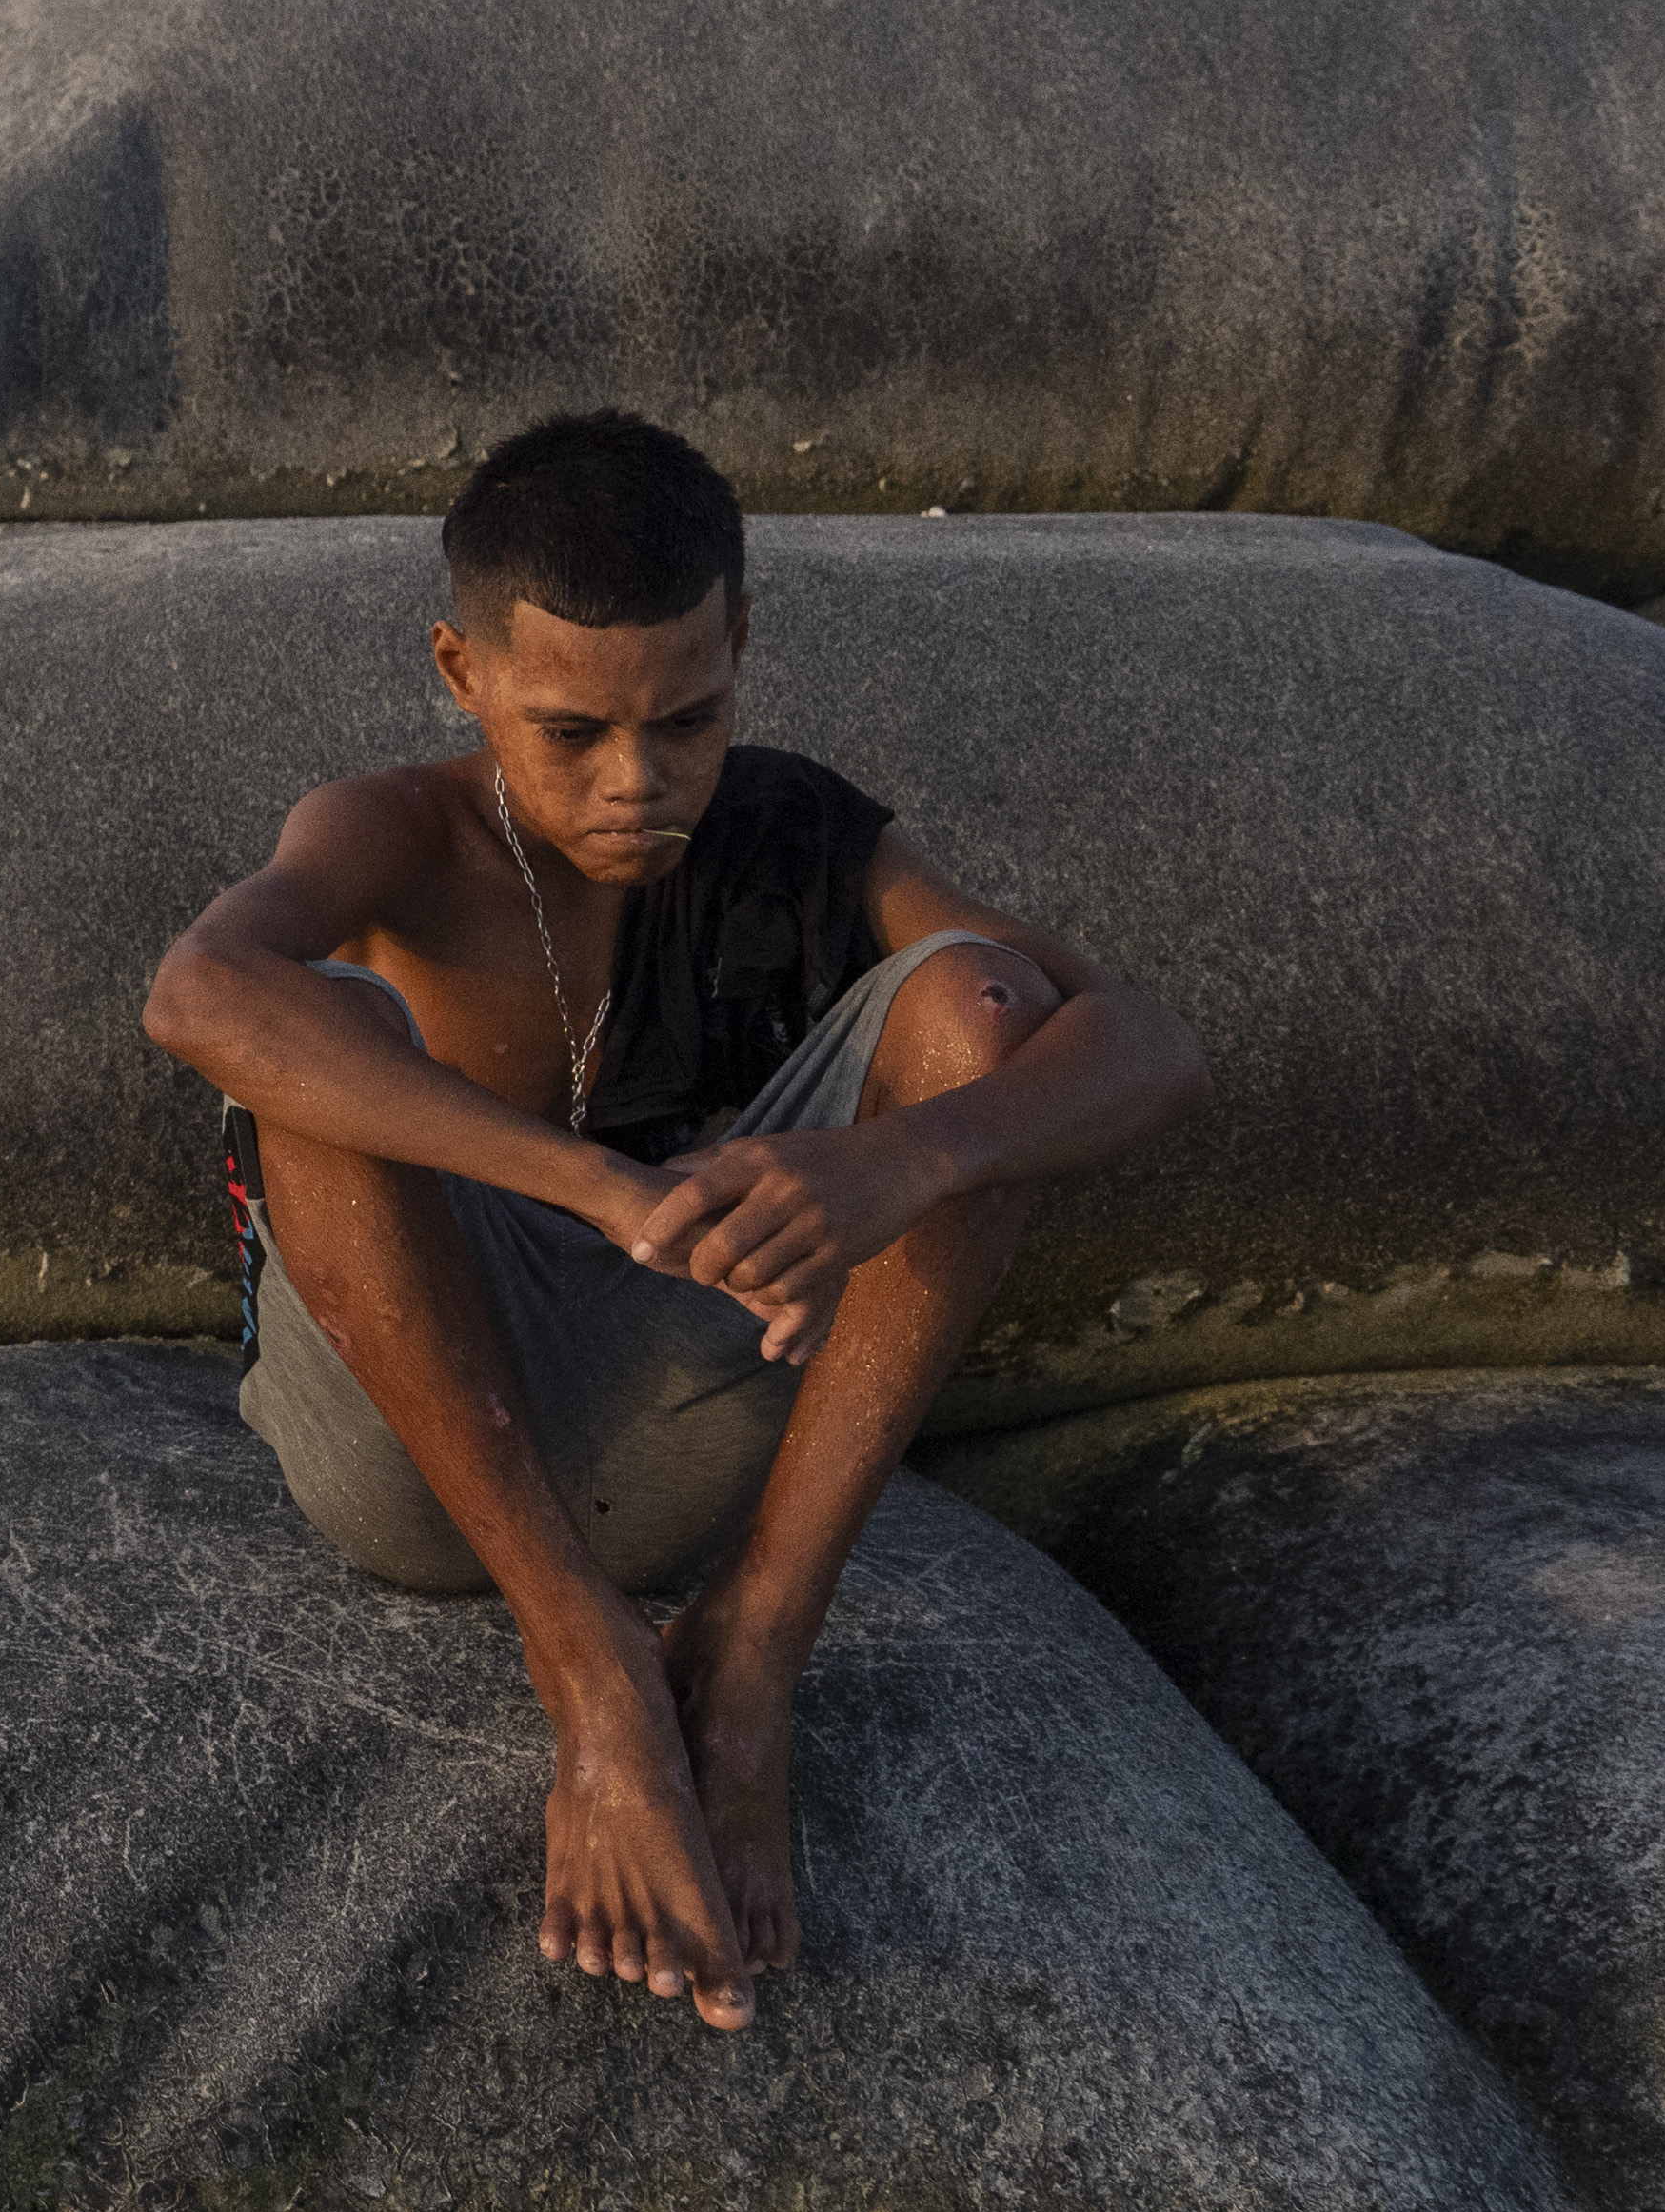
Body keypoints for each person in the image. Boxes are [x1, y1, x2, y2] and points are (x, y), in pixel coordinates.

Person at [139, 414, 1208, 2030]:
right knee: (318, 1035)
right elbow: (198, 994)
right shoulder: (388, 832)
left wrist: (897, 1168)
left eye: (688, 720)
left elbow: (1146, 1042)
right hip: (426, 1443)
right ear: (461, 671)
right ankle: (590, 1667)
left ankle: (750, 1662)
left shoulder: (788, 826)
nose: (638, 785)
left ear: (743, 652)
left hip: (689, 1405)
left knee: (983, 1018)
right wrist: (590, 1184)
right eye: (569, 731)